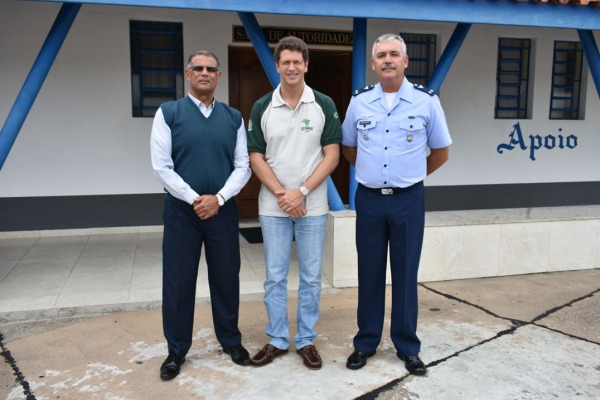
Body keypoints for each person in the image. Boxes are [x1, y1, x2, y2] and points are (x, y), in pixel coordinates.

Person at [342, 33, 452, 375]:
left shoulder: (427, 101)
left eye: (394, 54)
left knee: (405, 274)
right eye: (381, 55)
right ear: (373, 64)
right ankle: (366, 343)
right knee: (369, 273)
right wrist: (373, 174)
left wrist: (411, 176)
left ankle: (407, 346)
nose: (387, 59)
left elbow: (441, 152)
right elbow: (349, 147)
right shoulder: (359, 102)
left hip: (408, 199)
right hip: (370, 200)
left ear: (405, 61)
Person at [150, 50, 252, 381]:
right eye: (198, 68)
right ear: (188, 74)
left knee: (226, 278)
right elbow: (162, 167)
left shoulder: (233, 117)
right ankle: (176, 350)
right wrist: (197, 199)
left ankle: (231, 341)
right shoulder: (168, 113)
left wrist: (219, 198)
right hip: (182, 212)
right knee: (178, 282)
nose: (205, 73)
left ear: (219, 76)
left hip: (222, 212)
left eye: (211, 69)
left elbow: (243, 165)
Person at [247, 36, 342, 370]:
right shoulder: (262, 106)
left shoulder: (323, 104)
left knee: (312, 276)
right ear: (277, 66)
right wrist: (283, 195)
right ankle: (276, 339)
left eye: (297, 62)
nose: (291, 67)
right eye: (285, 62)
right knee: (274, 276)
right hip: (273, 207)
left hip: (312, 207)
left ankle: (305, 339)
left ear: (306, 65)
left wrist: (300, 192)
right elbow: (255, 156)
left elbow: (332, 155)